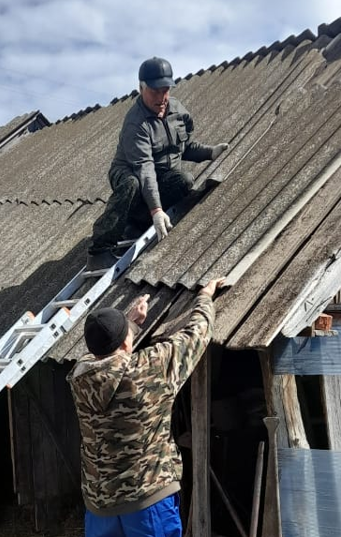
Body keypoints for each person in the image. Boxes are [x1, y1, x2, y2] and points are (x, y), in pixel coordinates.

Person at [68, 276, 227, 537]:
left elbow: (108, 357)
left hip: (100, 506)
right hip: (147, 501)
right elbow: (196, 334)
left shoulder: (79, 378)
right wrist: (205, 297)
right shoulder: (148, 368)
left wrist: (128, 326)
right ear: (126, 344)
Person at [87, 57, 229, 270]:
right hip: (131, 172)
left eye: (166, 90)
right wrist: (156, 210)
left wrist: (210, 152)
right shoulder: (136, 124)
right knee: (132, 184)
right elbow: (144, 169)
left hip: (161, 174)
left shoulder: (177, 110)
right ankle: (99, 250)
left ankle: (139, 220)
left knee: (184, 180)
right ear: (141, 88)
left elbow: (184, 146)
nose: (162, 97)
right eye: (155, 91)